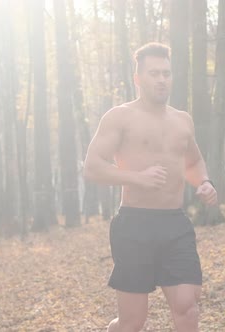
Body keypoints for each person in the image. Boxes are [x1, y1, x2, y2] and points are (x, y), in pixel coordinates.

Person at [83, 42, 217, 332]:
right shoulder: (120, 116)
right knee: (133, 321)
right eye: (154, 73)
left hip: (174, 223)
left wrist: (204, 183)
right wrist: (136, 177)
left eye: (166, 73)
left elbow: (193, 162)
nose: (161, 79)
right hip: (134, 224)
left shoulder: (183, 120)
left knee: (187, 307)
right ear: (138, 78)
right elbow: (92, 167)